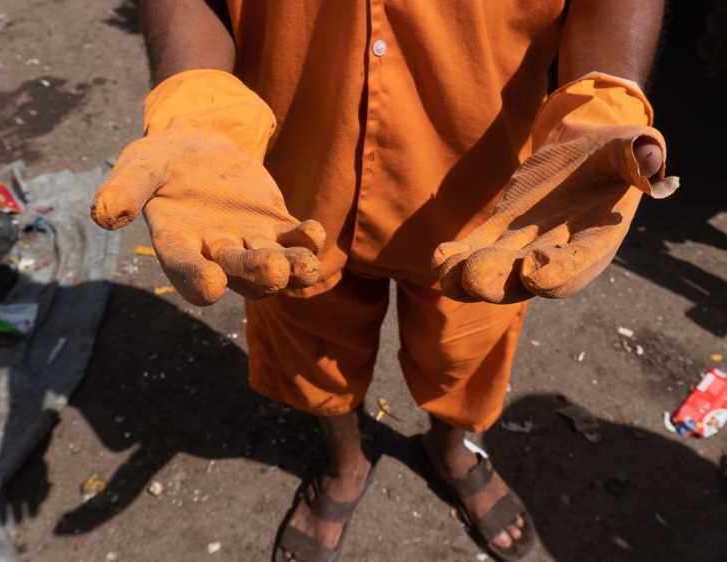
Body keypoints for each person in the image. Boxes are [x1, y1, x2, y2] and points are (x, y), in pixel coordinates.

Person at [91, 1, 677, 560]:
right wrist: (194, 103)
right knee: (313, 353)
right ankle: (345, 463)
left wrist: (604, 101)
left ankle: (451, 451)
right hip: (288, 195)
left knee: (463, 352)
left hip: (487, 208)